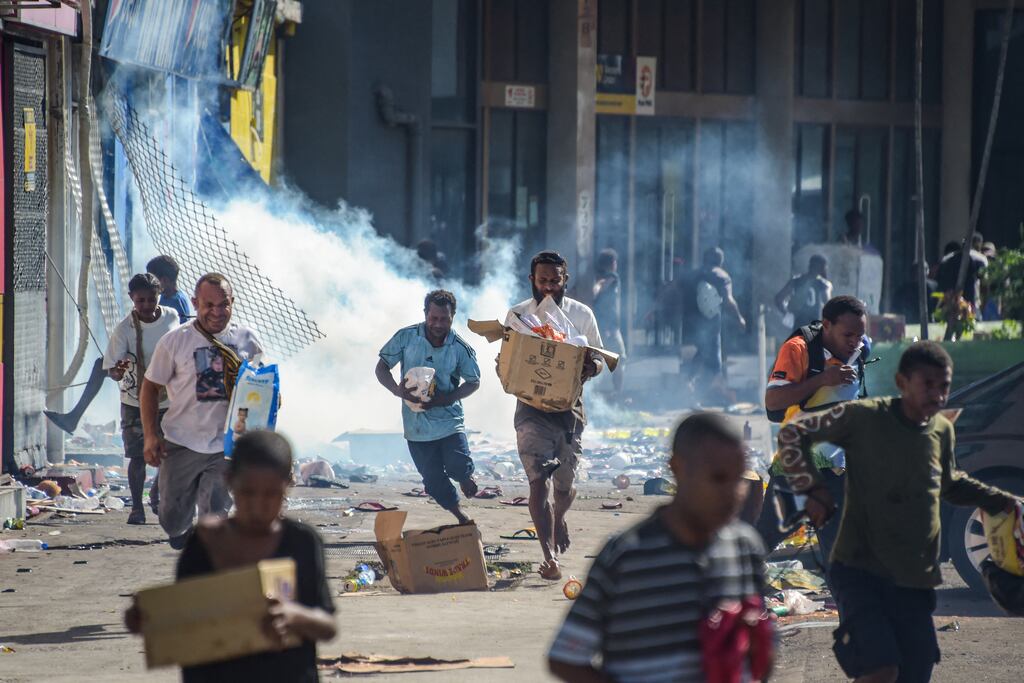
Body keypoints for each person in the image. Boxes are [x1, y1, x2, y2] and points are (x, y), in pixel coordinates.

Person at [778, 342, 1022, 683]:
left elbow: (950, 482)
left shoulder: (941, 430)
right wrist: (813, 490)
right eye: (928, 384)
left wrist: (999, 500)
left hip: (913, 575)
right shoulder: (865, 417)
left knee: (917, 668)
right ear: (902, 381)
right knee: (881, 668)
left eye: (944, 386)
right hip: (860, 571)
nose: (938, 395)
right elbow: (793, 433)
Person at [548, 413, 772, 683]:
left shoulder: (745, 549)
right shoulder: (628, 555)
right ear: (678, 469)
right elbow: (566, 658)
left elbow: (761, 654)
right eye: (718, 478)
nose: (731, 493)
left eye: (738, 480)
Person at [125, 430, 337, 682]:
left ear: (287, 486)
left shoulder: (302, 542)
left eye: (271, 494)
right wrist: (147, 619)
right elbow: (182, 616)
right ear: (229, 482)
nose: (259, 506)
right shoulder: (204, 543)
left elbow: (327, 626)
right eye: (248, 493)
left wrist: (294, 616)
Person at [140, 273, 266, 549]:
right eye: (209, 305)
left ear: (233, 303)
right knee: (171, 518)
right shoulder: (175, 342)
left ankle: (208, 563)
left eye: (224, 305)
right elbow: (150, 388)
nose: (217, 312)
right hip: (182, 442)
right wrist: (150, 436)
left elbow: (260, 388)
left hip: (227, 446)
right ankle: (179, 530)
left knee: (215, 514)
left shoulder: (247, 339)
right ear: (195, 303)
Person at [507, 251, 604, 580]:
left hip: (569, 412)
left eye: (555, 281)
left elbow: (600, 360)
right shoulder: (518, 315)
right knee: (539, 482)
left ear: (565, 280)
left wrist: (590, 366)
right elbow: (508, 361)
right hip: (531, 410)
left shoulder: (582, 314)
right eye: (542, 280)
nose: (548, 288)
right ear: (532, 280)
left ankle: (558, 517)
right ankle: (548, 556)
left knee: (564, 487)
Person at [756, 296, 868, 566]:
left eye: (860, 334)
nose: (855, 342)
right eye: (848, 334)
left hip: (839, 468)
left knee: (840, 555)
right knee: (763, 540)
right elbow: (773, 401)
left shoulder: (862, 349)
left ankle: (852, 607)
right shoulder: (798, 349)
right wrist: (823, 380)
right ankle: (722, 595)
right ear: (826, 325)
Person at [375, 289, 481, 524]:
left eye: (444, 319)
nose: (438, 324)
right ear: (425, 314)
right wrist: (397, 390)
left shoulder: (459, 347)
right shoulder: (406, 337)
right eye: (433, 318)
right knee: (433, 481)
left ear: (452, 317)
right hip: (416, 426)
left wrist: (446, 398)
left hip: (449, 420)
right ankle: (460, 516)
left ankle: (464, 477)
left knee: (457, 465)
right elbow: (381, 368)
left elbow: (474, 381)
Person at [103, 273, 180, 525]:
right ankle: (137, 507)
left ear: (159, 296)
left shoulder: (172, 317)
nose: (147, 305)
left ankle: (157, 492)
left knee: (170, 451)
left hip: (169, 399)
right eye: (141, 301)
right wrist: (120, 370)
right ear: (131, 299)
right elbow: (112, 372)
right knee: (138, 456)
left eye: (151, 299)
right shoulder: (124, 330)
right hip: (135, 401)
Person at [689, 247, 745, 401]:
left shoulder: (694, 274)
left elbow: (675, 288)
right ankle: (696, 397)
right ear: (720, 261)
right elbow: (728, 300)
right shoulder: (721, 276)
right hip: (711, 322)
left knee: (701, 353)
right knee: (714, 363)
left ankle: (687, 382)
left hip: (691, 322)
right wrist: (739, 318)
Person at [592, 248, 625, 396]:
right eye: (615, 262)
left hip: (608, 326)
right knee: (618, 360)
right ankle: (617, 393)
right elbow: (598, 288)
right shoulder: (612, 277)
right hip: (608, 327)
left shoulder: (602, 277)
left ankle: (613, 393)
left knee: (606, 360)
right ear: (612, 263)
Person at [774, 254, 833, 328]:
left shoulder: (796, 280)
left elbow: (778, 298)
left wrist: (787, 315)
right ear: (821, 268)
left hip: (798, 324)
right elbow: (829, 305)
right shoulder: (823, 284)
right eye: (825, 267)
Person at [936, 239, 988, 309]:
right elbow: (985, 283)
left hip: (952, 301)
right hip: (966, 301)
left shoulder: (947, 259)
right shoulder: (979, 259)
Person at [147, 254, 191, 324]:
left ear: (165, 280)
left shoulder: (177, 302)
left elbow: (183, 329)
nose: (150, 284)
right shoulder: (163, 296)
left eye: (152, 280)